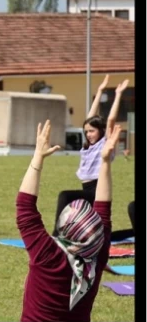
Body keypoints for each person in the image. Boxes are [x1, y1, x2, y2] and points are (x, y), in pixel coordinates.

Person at [16, 119, 118, 322]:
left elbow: (25, 208)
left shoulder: (47, 255)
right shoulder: (96, 258)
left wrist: (38, 157)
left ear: (64, 227)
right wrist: (105, 162)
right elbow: (104, 211)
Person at [52, 75, 129, 236]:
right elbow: (89, 118)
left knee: (65, 196)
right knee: (98, 232)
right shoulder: (87, 146)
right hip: (87, 189)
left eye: (92, 131)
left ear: (101, 131)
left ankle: (56, 235)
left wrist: (119, 94)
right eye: (86, 131)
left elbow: (111, 120)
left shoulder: (105, 143)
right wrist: (99, 91)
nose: (88, 134)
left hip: (97, 189)